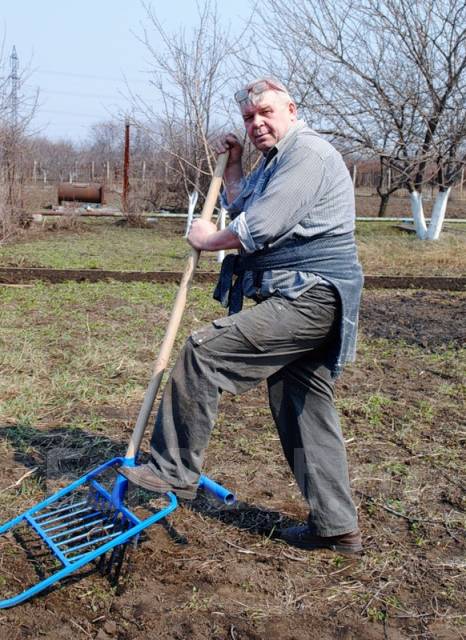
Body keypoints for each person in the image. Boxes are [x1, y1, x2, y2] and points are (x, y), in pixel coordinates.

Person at [121, 78, 364, 555]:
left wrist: (209, 240)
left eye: (266, 113)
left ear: (291, 109)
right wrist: (233, 165)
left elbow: (261, 226)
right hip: (306, 298)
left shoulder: (308, 154)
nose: (256, 124)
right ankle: (336, 527)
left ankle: (173, 468)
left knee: (203, 351)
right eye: (249, 117)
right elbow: (242, 204)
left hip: (310, 299)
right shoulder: (277, 160)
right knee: (302, 410)